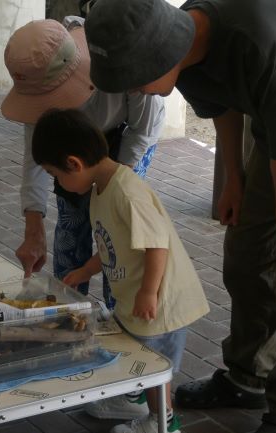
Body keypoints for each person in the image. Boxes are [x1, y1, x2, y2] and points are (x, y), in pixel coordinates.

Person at [84, 1, 276, 432]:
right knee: (246, 254)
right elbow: (222, 106)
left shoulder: (262, 41)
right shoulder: (181, 39)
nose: (137, 93)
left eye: (136, 82)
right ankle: (247, 377)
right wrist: (234, 178)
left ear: (162, 57)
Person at [31, 108, 209, 433]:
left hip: (161, 305)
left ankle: (163, 423)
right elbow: (111, 243)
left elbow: (157, 244)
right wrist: (86, 270)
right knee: (140, 358)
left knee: (155, 368)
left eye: (55, 174)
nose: (58, 183)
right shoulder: (101, 189)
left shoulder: (127, 191)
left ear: (74, 163)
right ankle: (139, 401)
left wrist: (148, 292)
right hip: (144, 300)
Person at [1, 18, 166, 318]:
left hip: (127, 136)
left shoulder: (123, 57)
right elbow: (37, 159)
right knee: (72, 226)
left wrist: (113, 184)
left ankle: (121, 311)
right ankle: (70, 311)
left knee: (117, 229)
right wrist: (34, 229)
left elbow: (143, 130)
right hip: (73, 152)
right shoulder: (35, 77)